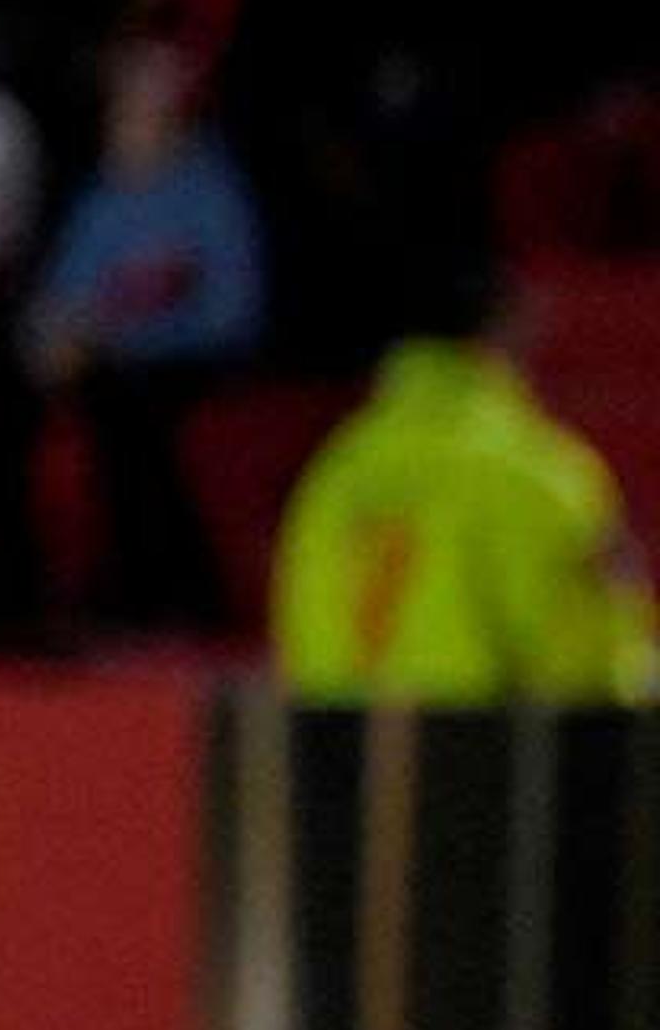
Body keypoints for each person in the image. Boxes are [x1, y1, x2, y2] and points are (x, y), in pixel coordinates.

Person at [272, 262, 657, 706]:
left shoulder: (332, 473)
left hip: (349, 758)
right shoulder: (535, 471)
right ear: (505, 327)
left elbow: (298, 644)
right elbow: (595, 674)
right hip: (489, 759)